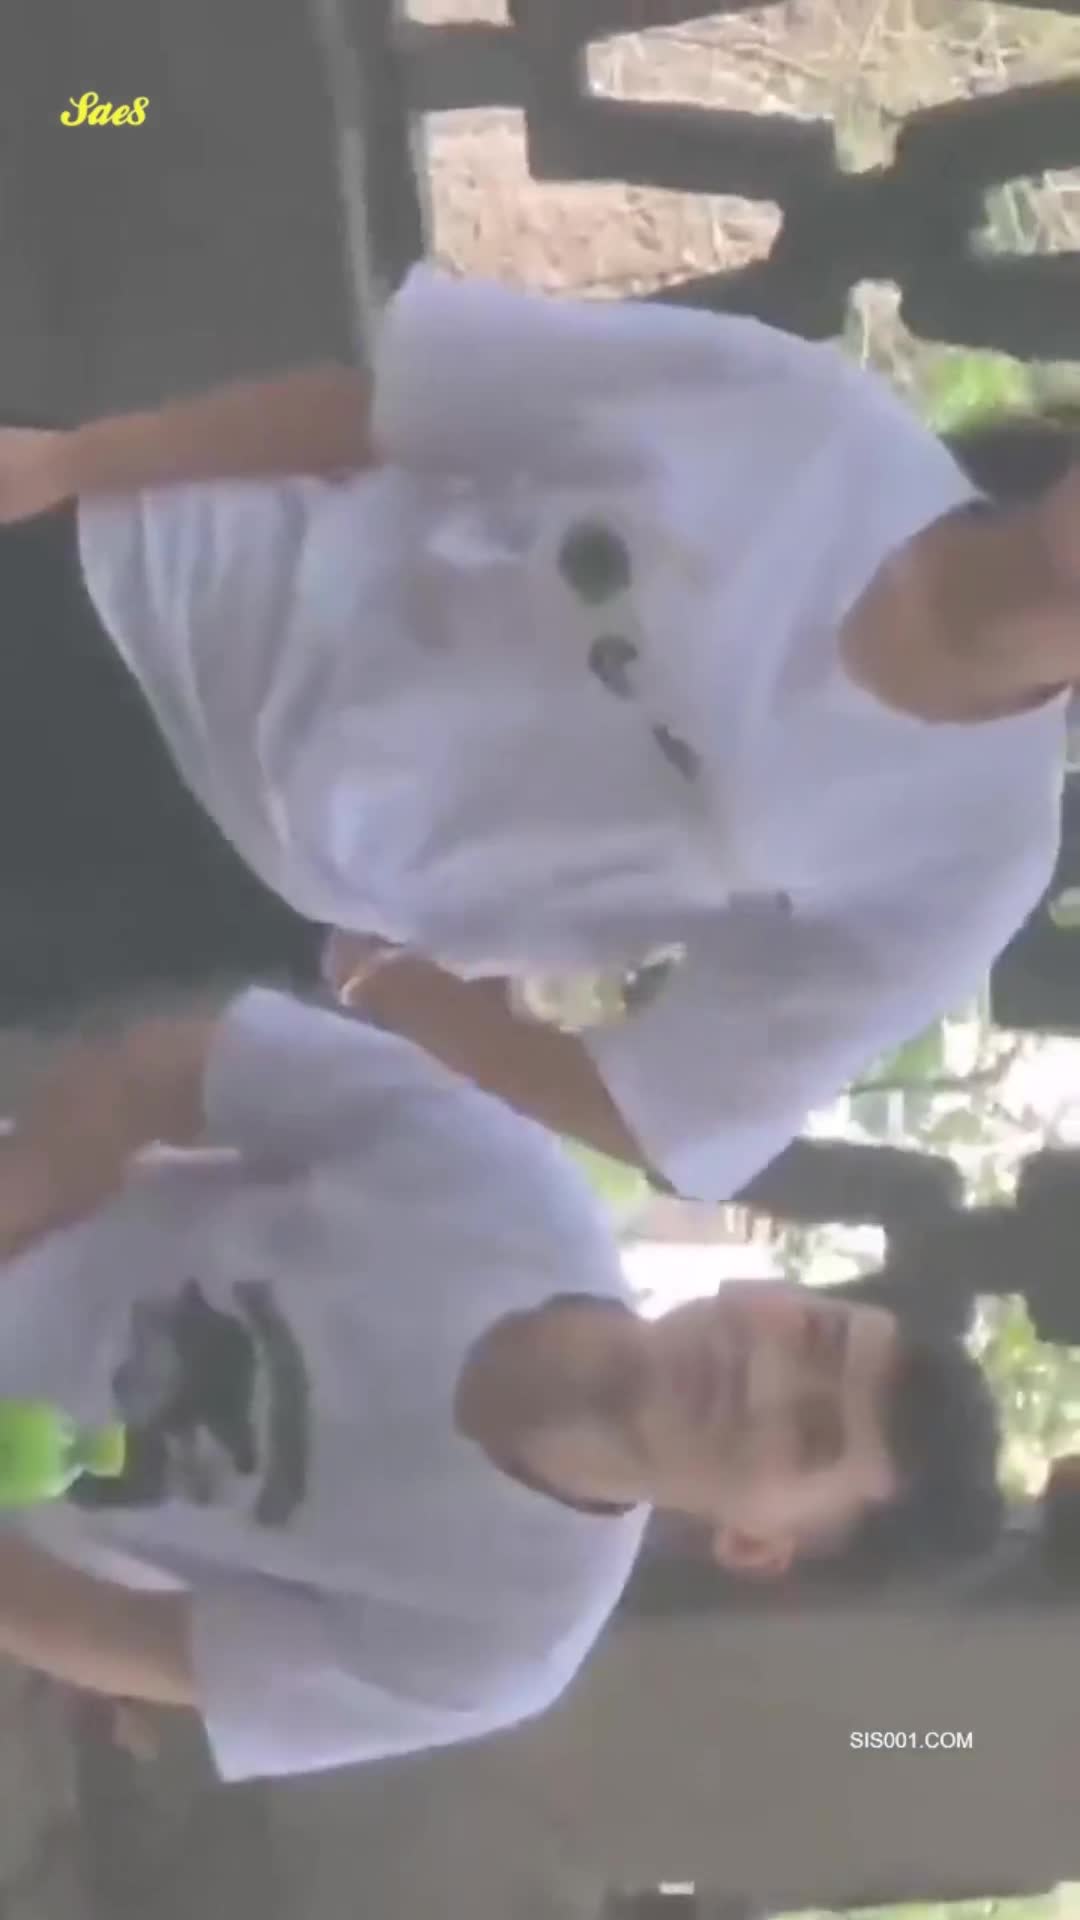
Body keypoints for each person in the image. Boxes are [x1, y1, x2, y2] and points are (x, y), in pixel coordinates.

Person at [1, 271, 1077, 1199]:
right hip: (149, 588)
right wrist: (71, 461)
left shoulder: (973, 852)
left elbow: (678, 1120)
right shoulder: (820, 425)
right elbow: (396, 411)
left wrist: (383, 981)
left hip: (223, 881)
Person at [0, 986, 998, 1781]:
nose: (762, 1378)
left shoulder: (497, 1649)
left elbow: (144, 1643)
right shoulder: (497, 1176)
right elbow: (171, 1070)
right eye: (814, 1336)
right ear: (765, 1287)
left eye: (809, 1437)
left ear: (754, 1543)